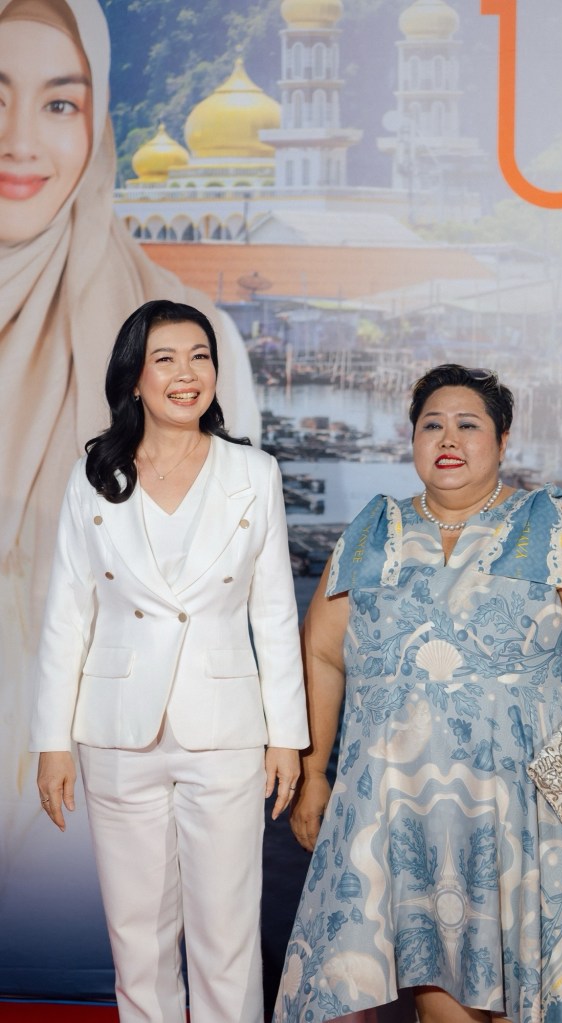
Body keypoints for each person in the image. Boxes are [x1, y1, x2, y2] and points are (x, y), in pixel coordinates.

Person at [274, 365, 562, 1023]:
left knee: (535, 994)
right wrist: (314, 769)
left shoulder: (548, 523)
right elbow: (320, 652)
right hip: (406, 803)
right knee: (439, 995)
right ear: (411, 439)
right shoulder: (372, 531)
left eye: (468, 424)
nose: (448, 438)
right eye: (431, 424)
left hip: (535, 806)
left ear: (502, 439)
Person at [0, 0, 259, 830]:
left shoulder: (191, 344)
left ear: (98, 124)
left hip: (109, 767)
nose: (20, 141)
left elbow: (229, 588)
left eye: (59, 103)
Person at [30, 299, 309, 1023]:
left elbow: (275, 613)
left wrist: (287, 735)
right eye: (166, 359)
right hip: (117, 728)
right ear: (134, 377)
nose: (187, 374)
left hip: (226, 729)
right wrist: (51, 740)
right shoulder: (95, 474)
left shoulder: (255, 473)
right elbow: (67, 615)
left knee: (227, 935)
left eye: (200, 356)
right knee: (137, 937)